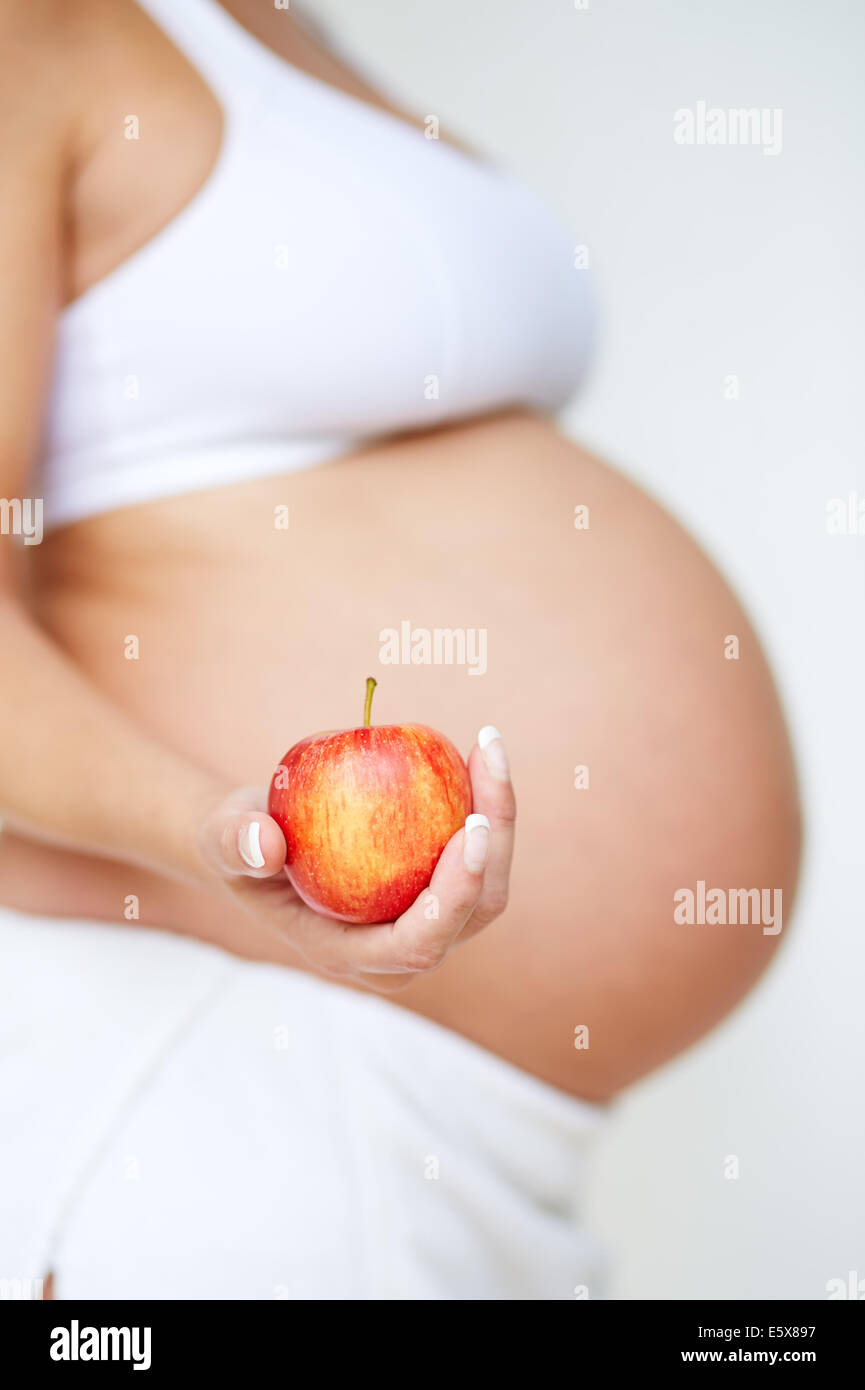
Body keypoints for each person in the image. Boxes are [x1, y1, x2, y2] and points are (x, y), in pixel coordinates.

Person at [0, 0, 800, 1299]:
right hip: (209, 1070)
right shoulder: (35, 31)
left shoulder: (285, 24)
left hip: (450, 1123)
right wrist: (215, 832)